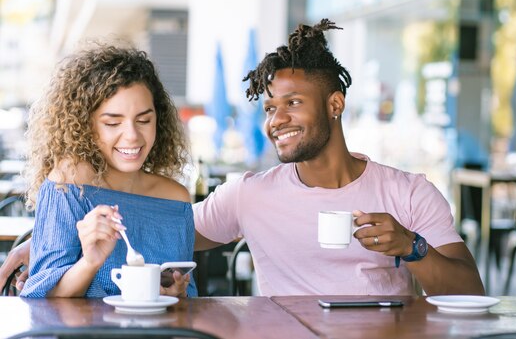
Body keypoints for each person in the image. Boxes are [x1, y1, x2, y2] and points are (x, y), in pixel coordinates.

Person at [1, 20, 483, 296]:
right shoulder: (251, 195)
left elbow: (470, 291)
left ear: (335, 104)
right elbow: (153, 225)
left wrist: (411, 248)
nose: (277, 119)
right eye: (270, 107)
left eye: (293, 103)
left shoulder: (408, 192)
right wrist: (42, 240)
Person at [5, 43, 197, 298]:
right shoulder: (69, 183)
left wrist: (178, 292)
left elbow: (188, 295)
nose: (132, 136)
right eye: (112, 122)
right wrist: (90, 262)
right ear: (85, 126)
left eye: (144, 120)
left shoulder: (175, 198)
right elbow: (42, 298)